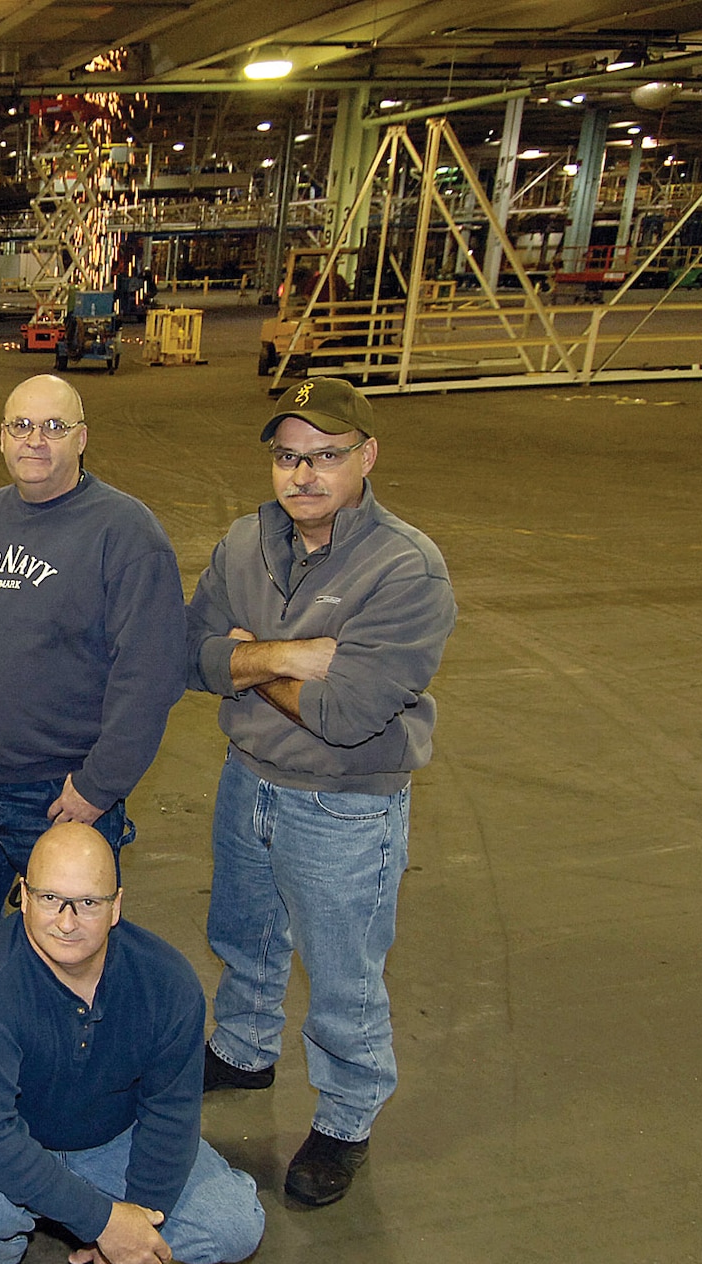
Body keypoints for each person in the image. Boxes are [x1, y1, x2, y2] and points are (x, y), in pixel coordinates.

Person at [186, 377, 456, 1206]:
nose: (303, 474)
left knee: (343, 971)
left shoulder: (403, 568)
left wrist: (250, 655)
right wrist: (293, 656)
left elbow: (343, 717)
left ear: (367, 457)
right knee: (245, 932)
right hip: (251, 779)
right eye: (288, 457)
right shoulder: (244, 541)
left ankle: (345, 1117)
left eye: (326, 456)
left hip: (346, 804)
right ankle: (243, 1048)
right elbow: (192, 652)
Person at [0, 373, 187, 1101]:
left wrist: (97, 786)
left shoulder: (126, 535)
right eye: (20, 425)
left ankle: (64, 1057)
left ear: (82, 437)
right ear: (1, 436)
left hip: (58, 796)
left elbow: (148, 677)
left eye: (53, 427)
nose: (35, 440)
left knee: (69, 936)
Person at [0, 824, 264, 1264]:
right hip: (14, 1140)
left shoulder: (168, 984)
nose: (66, 922)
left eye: (87, 902)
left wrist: (132, 1229)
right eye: (50, 899)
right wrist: (104, 1221)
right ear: (22, 895)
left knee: (233, 1226)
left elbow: (171, 1113)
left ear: (117, 907)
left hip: (111, 1136)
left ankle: (75, 1220)